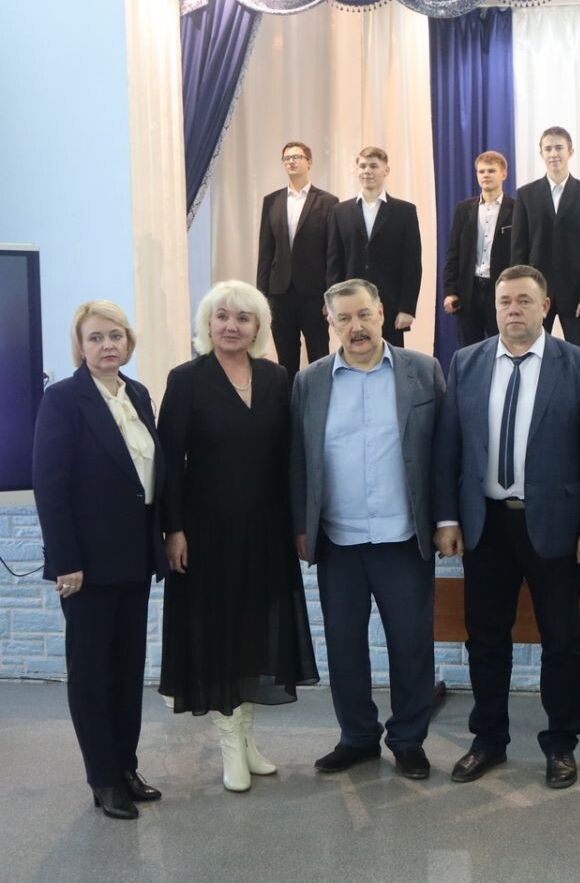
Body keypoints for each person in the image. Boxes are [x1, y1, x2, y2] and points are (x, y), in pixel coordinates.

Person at [432, 264, 580, 789]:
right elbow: (449, 446)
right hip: (486, 526)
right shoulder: (466, 361)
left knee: (561, 641)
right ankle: (488, 739)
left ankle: (560, 744)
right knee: (486, 639)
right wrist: (447, 517)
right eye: (505, 301)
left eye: (524, 301)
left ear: (545, 306)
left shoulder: (579, 366)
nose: (513, 310)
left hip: (556, 527)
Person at [157, 281, 319, 792]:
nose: (232, 326)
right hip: (206, 534)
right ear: (208, 324)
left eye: (243, 318)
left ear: (258, 327)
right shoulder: (186, 379)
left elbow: (291, 458)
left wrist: (298, 525)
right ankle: (229, 743)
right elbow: (169, 463)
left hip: (266, 530)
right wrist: (173, 529)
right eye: (222, 316)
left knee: (254, 634)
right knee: (218, 634)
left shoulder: (277, 378)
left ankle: (247, 738)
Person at [290, 279, 444, 779]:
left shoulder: (423, 371)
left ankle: (408, 740)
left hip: (404, 539)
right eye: (344, 318)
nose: (355, 327)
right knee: (345, 647)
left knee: (411, 646)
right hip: (338, 541)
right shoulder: (310, 381)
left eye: (363, 315)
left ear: (381, 312)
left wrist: (446, 520)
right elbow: (299, 459)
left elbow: (444, 450)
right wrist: (300, 527)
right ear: (329, 321)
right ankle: (357, 737)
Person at [32, 301, 167, 820]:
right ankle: (103, 779)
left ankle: (126, 766)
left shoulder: (137, 393)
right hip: (86, 566)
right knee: (91, 673)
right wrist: (66, 560)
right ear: (80, 346)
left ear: (128, 342)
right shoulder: (63, 399)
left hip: (134, 557)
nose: (107, 345)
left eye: (115, 335)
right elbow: (51, 485)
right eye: (95, 337)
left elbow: (146, 477)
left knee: (128, 670)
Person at [511, 127, 580, 351]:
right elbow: (519, 247)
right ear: (541, 154)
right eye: (548, 149)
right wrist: (519, 292)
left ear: (570, 151)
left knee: (579, 353)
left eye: (559, 148)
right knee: (531, 350)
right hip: (535, 291)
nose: (553, 154)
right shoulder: (526, 195)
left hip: (575, 293)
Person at [256, 140, 339, 379]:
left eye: (297, 157)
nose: (291, 162)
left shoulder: (327, 201)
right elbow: (265, 251)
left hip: (315, 293)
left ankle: (320, 398)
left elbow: (332, 252)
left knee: (319, 356)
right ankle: (290, 399)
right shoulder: (272, 201)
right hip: (280, 293)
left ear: (309, 162)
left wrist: (331, 296)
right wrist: (261, 296)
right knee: (285, 358)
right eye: (287, 158)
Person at [326, 146, 422, 347]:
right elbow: (334, 262)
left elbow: (412, 264)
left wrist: (407, 308)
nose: (367, 171)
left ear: (386, 170)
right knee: (354, 354)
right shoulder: (340, 211)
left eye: (373, 166)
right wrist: (332, 304)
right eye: (362, 166)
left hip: (390, 305)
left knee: (391, 357)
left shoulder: (405, 211)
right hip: (350, 304)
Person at [443, 150, 514, 347]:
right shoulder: (463, 209)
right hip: (469, 289)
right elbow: (453, 252)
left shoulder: (516, 209)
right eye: (481, 171)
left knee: (502, 345)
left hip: (500, 289)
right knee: (468, 349)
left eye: (491, 171)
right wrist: (450, 291)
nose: (486, 175)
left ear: (503, 174)